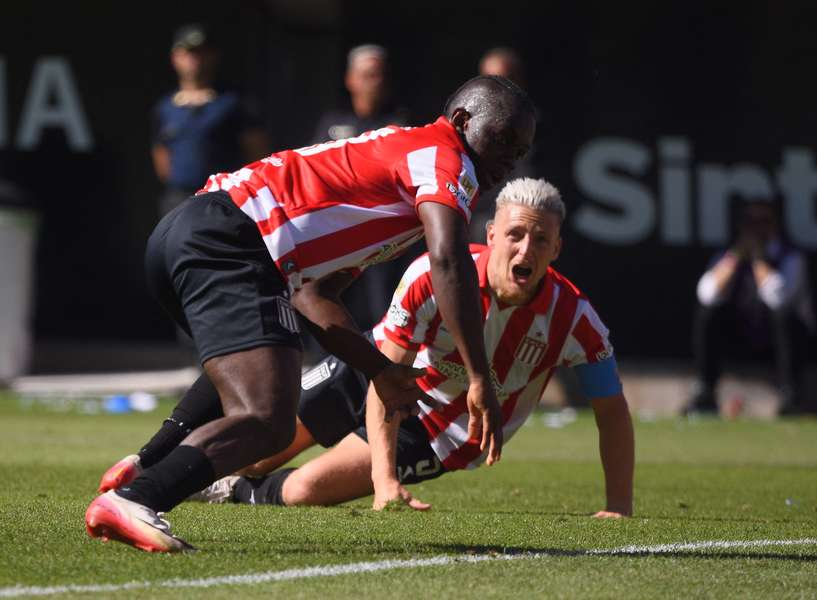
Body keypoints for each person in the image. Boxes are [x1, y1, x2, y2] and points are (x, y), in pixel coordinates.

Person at [85, 75, 537, 552]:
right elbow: (449, 261)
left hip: (194, 231)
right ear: (463, 122)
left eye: (520, 151)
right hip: (231, 240)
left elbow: (314, 297)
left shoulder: (400, 172)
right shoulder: (445, 157)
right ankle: (139, 498)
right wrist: (479, 376)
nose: (508, 159)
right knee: (267, 415)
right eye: (503, 139)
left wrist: (379, 371)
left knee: (263, 364)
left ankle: (148, 463)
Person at [186, 178, 634, 517]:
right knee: (262, 442)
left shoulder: (575, 320)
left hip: (441, 432)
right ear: (492, 234)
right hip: (373, 369)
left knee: (304, 491)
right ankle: (154, 473)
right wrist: (384, 480)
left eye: (540, 240)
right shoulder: (431, 276)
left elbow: (611, 410)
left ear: (556, 248)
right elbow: (387, 374)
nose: (525, 249)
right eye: (516, 234)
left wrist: (619, 506)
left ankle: (234, 491)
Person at [307, 44, 416, 339]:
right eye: (367, 75)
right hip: (334, 234)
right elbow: (315, 172)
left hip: (381, 238)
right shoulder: (332, 124)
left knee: (382, 309)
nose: (375, 81)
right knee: (325, 307)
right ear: (350, 80)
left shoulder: (400, 123)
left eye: (380, 75)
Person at [687, 199, 816, 415]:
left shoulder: (791, 257)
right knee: (709, 314)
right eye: (750, 222)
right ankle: (705, 392)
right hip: (741, 337)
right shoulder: (729, 255)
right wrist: (736, 258)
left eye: (763, 221)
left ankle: (791, 397)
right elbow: (706, 295)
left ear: (775, 225)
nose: (756, 228)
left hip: (781, 341)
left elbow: (778, 298)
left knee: (785, 317)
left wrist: (758, 258)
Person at [151, 24, 269, 215]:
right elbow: (162, 160)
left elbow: (258, 154)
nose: (194, 59)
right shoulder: (164, 108)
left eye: (201, 52)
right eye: (188, 52)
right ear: (175, 58)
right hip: (178, 201)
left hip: (223, 200)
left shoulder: (234, 103)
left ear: (213, 56)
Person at [468, 48, 540, 243]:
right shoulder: (466, 127)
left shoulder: (536, 130)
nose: (498, 88)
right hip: (472, 231)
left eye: (505, 80)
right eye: (490, 80)